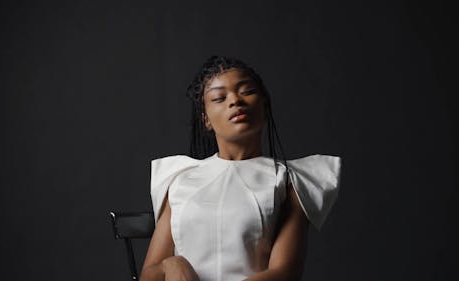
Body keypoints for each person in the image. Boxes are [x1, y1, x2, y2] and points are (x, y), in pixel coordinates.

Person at [139, 56, 342, 281]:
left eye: (246, 91)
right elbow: (150, 274)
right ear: (206, 119)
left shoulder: (289, 180)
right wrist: (173, 264)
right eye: (219, 98)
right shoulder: (180, 178)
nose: (235, 100)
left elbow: (284, 274)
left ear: (264, 105)